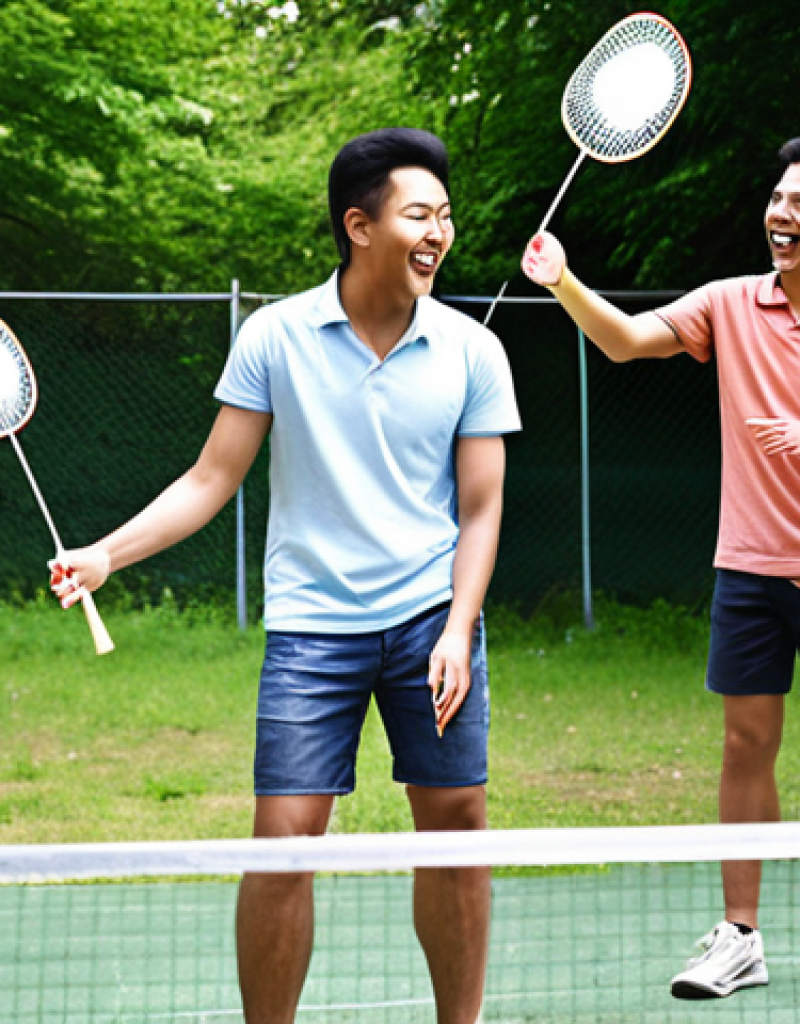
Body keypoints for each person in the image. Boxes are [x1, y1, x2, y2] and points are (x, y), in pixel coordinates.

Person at [50, 127, 521, 1024]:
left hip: (431, 617)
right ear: (359, 224)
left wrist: (459, 626)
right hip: (313, 628)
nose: (440, 232)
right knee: (283, 847)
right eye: (420, 214)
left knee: (457, 826)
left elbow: (481, 508)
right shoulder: (274, 335)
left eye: (446, 216)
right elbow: (210, 476)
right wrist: (108, 553)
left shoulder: (473, 350)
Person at [520, 136, 800, 1005]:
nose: (780, 214)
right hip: (746, 570)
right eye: (776, 198)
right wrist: (562, 281)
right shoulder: (729, 304)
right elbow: (629, 342)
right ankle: (739, 934)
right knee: (747, 744)